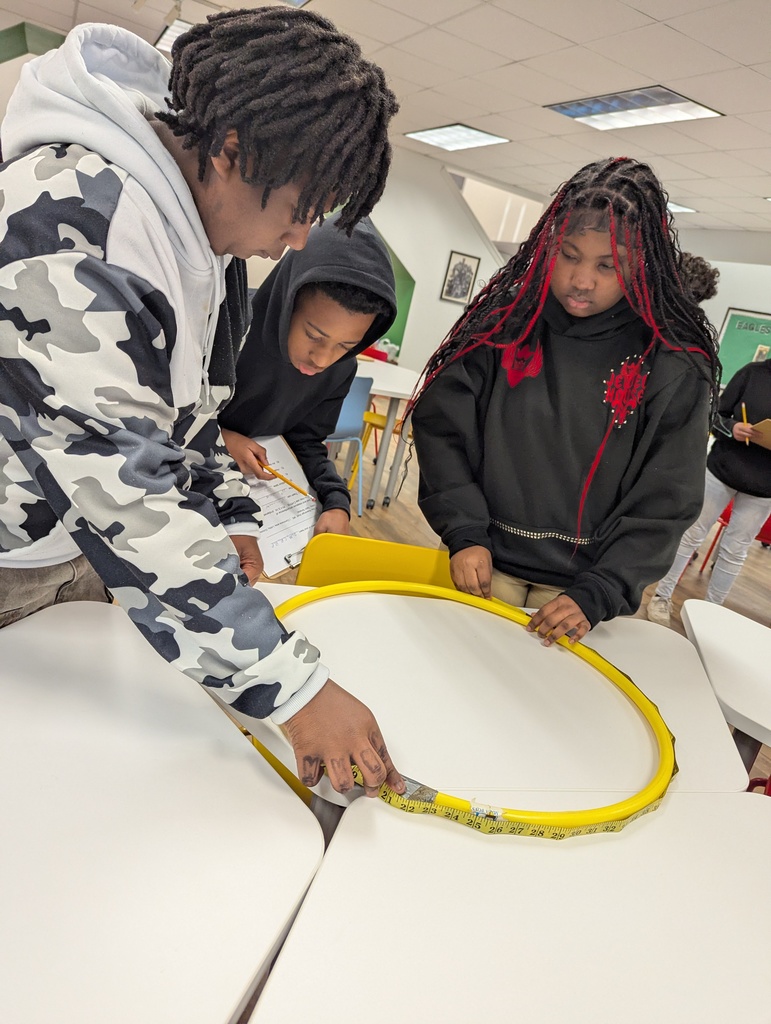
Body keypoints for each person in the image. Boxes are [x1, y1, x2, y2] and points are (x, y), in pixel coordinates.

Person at [0, 9, 405, 798]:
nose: (297, 242)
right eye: (298, 211)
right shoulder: (73, 221)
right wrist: (295, 689)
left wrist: (231, 515)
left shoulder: (199, 229)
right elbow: (124, 490)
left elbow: (187, 407)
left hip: (78, 555)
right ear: (231, 152)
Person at [409, 157, 720, 648]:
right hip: (483, 562)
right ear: (548, 246)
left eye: (607, 265)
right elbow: (441, 429)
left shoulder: (674, 360)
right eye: (569, 255)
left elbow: (668, 497)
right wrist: (464, 531)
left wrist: (603, 589)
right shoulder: (503, 324)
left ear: (642, 264)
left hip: (582, 595)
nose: (581, 280)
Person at [219, 211, 396, 562]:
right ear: (287, 300)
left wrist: (336, 502)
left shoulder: (340, 370)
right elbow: (161, 416)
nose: (323, 359)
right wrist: (221, 436)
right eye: (314, 336)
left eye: (347, 346)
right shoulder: (225, 323)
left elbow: (306, 440)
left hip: (257, 510)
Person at [647, 357, 771, 623]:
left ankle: (712, 615)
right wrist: (732, 428)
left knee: (735, 551)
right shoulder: (752, 373)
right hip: (722, 469)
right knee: (690, 534)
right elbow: (715, 415)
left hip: (764, 487)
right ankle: (661, 597)